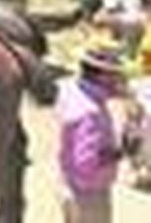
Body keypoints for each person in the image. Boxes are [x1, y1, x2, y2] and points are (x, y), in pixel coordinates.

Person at [57, 43, 138, 222]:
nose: (119, 78)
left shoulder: (71, 89)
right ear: (102, 76)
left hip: (69, 184)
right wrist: (119, 152)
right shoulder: (91, 113)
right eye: (114, 73)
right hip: (89, 195)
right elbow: (86, 162)